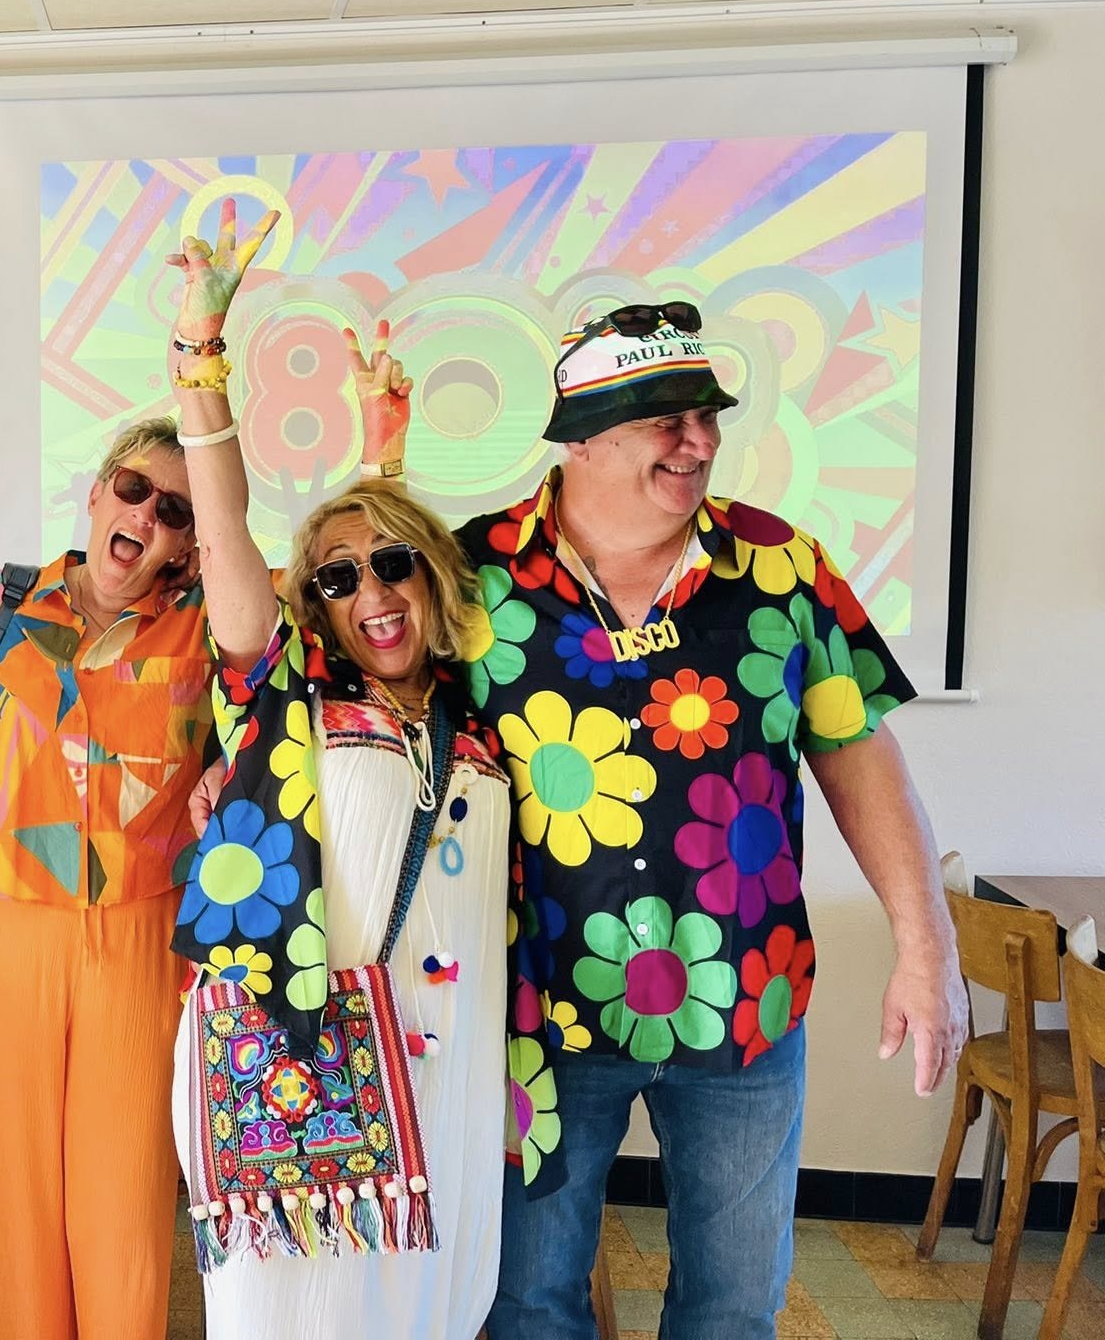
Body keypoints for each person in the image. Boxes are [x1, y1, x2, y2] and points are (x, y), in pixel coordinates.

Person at [470, 301, 968, 1338]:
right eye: (665, 416)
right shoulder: (467, 578)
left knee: (734, 1309)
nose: (698, 439)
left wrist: (926, 947)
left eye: (707, 413)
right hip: (533, 1014)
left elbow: (856, 753)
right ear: (579, 434)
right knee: (524, 1304)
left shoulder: (780, 566)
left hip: (744, 1005)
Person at [163, 202, 527, 1338]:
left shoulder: (477, 715)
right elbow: (226, 536)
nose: (369, 594)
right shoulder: (285, 704)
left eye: (393, 567)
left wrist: (384, 454)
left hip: (448, 1067)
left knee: (423, 1309)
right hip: (303, 1049)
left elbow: (381, 550)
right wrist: (199, 355)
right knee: (302, 1314)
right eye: (333, 580)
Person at [0, 411, 210, 1340]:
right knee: (10, 1209)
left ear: (191, 538)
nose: (147, 514)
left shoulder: (206, 630)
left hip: (137, 936)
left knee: (123, 1210)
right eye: (133, 488)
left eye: (176, 508)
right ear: (96, 494)